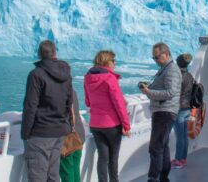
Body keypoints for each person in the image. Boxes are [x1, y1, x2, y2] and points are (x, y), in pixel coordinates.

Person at [21, 40, 73, 182]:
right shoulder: (66, 74)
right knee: (53, 175)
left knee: (38, 176)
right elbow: (69, 101)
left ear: (39, 54)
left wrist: (25, 132)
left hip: (40, 133)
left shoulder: (36, 75)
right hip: (59, 132)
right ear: (55, 53)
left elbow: (30, 106)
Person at [84, 50, 132, 182]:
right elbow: (118, 104)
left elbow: (88, 102)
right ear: (106, 61)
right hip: (111, 125)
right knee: (113, 158)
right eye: (113, 61)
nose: (115, 63)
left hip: (95, 124)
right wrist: (126, 125)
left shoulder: (87, 77)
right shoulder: (110, 78)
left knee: (102, 157)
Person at [140, 42, 181, 182]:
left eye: (157, 57)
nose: (156, 60)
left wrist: (149, 92)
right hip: (163, 111)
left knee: (155, 147)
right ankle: (163, 177)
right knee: (163, 146)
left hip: (165, 111)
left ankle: (154, 178)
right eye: (153, 58)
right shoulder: (165, 68)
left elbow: (170, 92)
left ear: (166, 54)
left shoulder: (172, 70)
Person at [171, 53, 194, 169]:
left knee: (180, 136)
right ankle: (183, 158)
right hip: (187, 108)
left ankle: (179, 160)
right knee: (184, 136)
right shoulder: (190, 75)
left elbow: (173, 92)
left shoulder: (179, 76)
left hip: (179, 109)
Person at [60, 87, 86, 182]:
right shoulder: (71, 89)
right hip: (78, 135)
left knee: (67, 173)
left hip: (66, 138)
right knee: (75, 171)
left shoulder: (56, 91)